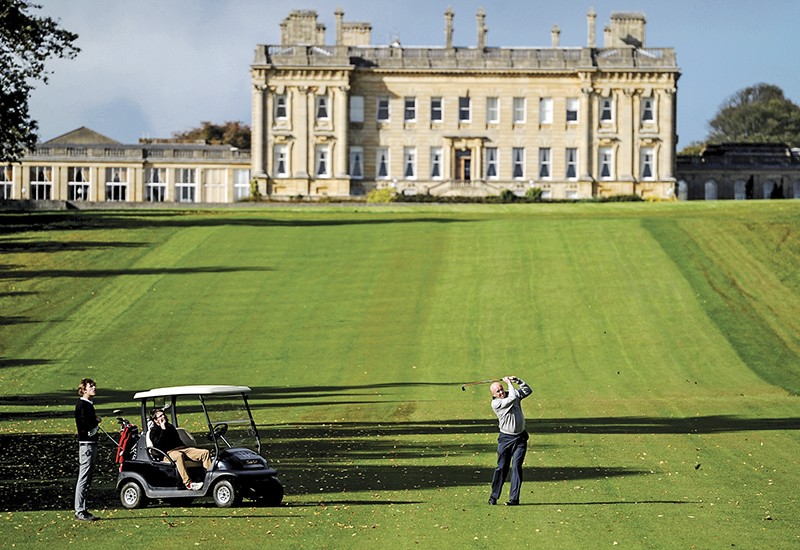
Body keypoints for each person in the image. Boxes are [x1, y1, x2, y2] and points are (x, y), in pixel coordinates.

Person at [488, 376, 532, 506]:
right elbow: (512, 398)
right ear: (494, 395)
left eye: (501, 389)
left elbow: (528, 390)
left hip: (520, 438)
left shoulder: (511, 392)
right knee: (502, 467)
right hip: (505, 439)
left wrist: (518, 381)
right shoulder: (496, 404)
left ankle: (514, 499)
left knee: (517, 467)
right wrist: (508, 383)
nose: (501, 392)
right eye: (498, 392)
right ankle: (494, 496)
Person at [148, 408, 211, 490]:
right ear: (155, 420)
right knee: (179, 455)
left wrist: (166, 428)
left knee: (205, 453)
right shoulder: (154, 431)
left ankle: (209, 481)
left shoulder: (170, 427)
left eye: (164, 414)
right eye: (160, 416)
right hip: (168, 453)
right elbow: (159, 445)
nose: (164, 416)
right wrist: (163, 429)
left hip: (182, 449)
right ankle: (188, 483)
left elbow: (177, 441)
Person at [74, 378, 101, 521]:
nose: (94, 388)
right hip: (86, 445)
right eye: (91, 386)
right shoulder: (83, 405)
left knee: (87, 478)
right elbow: (86, 428)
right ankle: (80, 510)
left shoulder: (88, 405)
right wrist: (96, 422)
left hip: (90, 444)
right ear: (84, 390)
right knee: (83, 478)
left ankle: (82, 509)